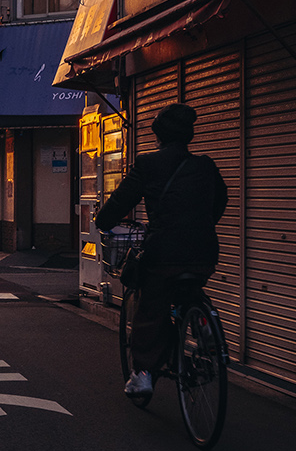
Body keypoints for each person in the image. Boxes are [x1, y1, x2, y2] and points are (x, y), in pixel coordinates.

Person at [96, 103, 228, 401]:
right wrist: (199, 226)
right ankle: (204, 324)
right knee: (191, 287)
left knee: (151, 305)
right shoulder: (206, 165)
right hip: (205, 249)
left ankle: (142, 374)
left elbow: (120, 201)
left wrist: (103, 221)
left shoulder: (148, 164)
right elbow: (219, 202)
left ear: (159, 136)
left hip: (164, 251)